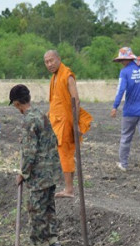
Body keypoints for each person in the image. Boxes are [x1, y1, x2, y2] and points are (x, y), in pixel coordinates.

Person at [9, 84, 63, 246]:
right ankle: (53, 242)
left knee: (36, 209)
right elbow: (52, 140)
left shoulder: (29, 120)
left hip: (38, 175)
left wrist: (23, 173)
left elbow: (30, 152)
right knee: (49, 207)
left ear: (17, 103)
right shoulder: (41, 115)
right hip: (51, 171)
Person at [44, 49, 93, 198]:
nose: (49, 64)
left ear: (58, 59)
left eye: (52, 60)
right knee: (64, 155)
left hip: (66, 121)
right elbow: (56, 101)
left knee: (65, 154)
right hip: (57, 121)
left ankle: (69, 189)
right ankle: (68, 187)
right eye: (46, 62)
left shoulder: (67, 75)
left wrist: (76, 123)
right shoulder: (55, 77)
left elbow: (75, 100)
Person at [110, 47, 140, 176]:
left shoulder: (124, 72)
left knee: (125, 138)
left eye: (122, 60)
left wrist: (115, 106)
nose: (121, 63)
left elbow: (121, 90)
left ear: (125, 60)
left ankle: (123, 164)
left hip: (129, 112)